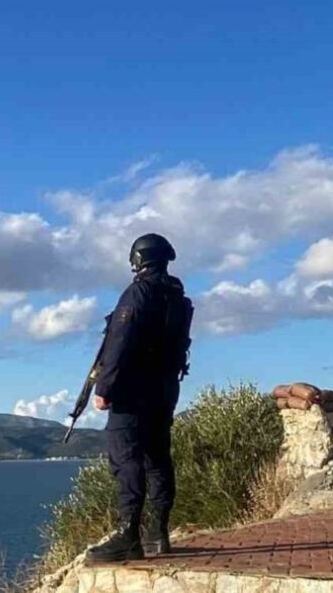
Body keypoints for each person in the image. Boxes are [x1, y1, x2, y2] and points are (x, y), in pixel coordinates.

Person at [85, 233, 193, 563]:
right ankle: (158, 533)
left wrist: (104, 388)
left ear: (138, 259)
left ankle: (127, 535)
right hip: (164, 388)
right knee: (158, 457)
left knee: (127, 459)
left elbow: (119, 343)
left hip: (132, 390)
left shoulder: (138, 292)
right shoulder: (178, 297)